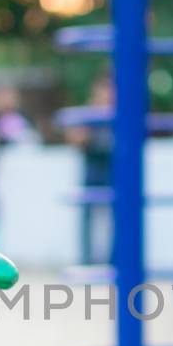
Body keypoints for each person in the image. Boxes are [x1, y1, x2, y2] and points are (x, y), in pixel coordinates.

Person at [68, 72, 114, 264]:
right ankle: (86, 259)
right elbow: (75, 139)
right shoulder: (88, 114)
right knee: (87, 216)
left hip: (112, 169)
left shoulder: (117, 114)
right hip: (93, 168)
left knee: (117, 216)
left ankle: (115, 258)